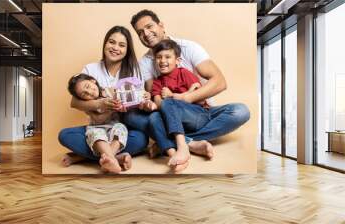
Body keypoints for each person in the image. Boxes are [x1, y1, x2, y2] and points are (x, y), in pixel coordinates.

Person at [123, 9, 251, 172]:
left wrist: (185, 97)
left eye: (149, 27)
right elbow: (155, 100)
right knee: (131, 115)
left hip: (199, 112)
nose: (146, 34)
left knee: (240, 111)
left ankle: (170, 141)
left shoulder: (188, 48)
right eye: (140, 32)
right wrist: (147, 103)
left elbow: (219, 82)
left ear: (161, 26)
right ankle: (191, 143)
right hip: (167, 115)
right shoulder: (145, 64)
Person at [58, 26, 149, 170]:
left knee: (140, 139)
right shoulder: (90, 69)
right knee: (65, 135)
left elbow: (140, 98)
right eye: (111, 42)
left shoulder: (134, 71)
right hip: (97, 126)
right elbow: (74, 101)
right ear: (105, 43)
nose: (115, 48)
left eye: (121, 45)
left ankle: (86, 157)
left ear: (127, 50)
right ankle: (114, 157)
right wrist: (100, 104)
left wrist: (139, 101)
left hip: (121, 127)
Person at [145, 39, 214, 171]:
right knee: (153, 118)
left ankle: (181, 146)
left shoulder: (184, 73)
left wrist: (174, 96)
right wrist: (162, 101)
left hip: (195, 115)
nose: (162, 60)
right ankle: (175, 154)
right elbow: (159, 104)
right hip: (174, 122)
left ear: (177, 60)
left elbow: (199, 100)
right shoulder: (158, 82)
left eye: (167, 57)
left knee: (169, 103)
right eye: (159, 57)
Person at [67, 73, 129, 173]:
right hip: (97, 126)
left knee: (121, 128)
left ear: (93, 81)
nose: (89, 92)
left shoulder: (110, 91)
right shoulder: (89, 105)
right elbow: (98, 119)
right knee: (95, 134)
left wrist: (121, 107)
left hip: (113, 126)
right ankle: (114, 160)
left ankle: (108, 159)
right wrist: (111, 110)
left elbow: (123, 101)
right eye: (84, 94)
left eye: (87, 86)